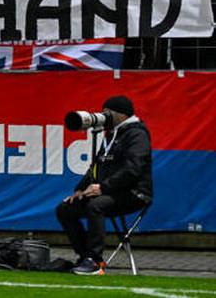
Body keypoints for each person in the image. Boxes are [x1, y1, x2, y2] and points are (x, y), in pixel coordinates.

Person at [56, 95, 152, 276]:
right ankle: (84, 256)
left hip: (134, 193)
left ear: (122, 115)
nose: (104, 116)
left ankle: (95, 260)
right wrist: (79, 189)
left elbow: (133, 169)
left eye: (108, 113)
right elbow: (96, 166)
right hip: (111, 191)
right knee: (65, 208)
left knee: (95, 205)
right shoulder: (111, 135)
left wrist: (103, 188)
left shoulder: (137, 134)